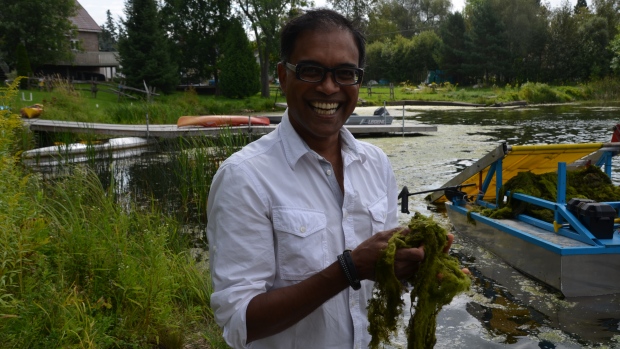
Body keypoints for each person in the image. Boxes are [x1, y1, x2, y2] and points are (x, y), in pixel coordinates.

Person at [206, 9, 454, 348]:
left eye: (344, 73)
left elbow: (379, 272)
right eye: (311, 70)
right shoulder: (244, 178)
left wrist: (420, 269)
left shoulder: (376, 164)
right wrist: (347, 270)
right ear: (283, 75)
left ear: (358, 80)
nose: (328, 87)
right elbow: (240, 322)